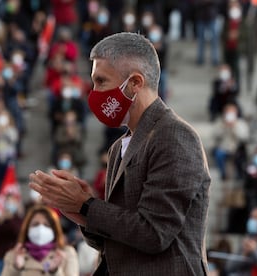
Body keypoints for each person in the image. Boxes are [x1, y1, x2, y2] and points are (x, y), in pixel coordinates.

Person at [30, 32, 211, 275]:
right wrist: (82, 213)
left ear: (135, 82)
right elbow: (117, 243)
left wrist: (87, 205)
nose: (93, 93)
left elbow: (155, 234)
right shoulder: (119, 147)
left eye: (101, 81)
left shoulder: (174, 136)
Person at [1, 204, 79, 275]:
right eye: (35, 224)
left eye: (46, 225)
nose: (41, 229)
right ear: (27, 229)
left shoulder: (67, 253)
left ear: (54, 229)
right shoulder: (14, 255)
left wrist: (54, 271)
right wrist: (16, 268)